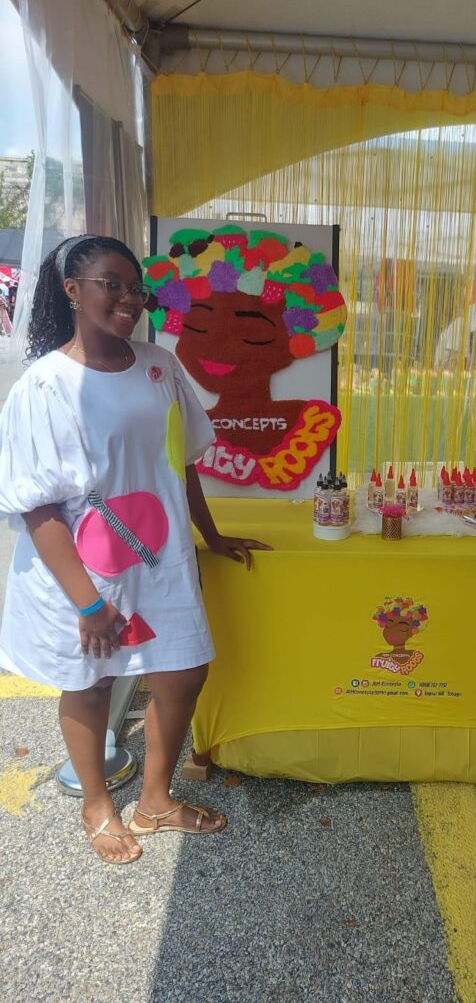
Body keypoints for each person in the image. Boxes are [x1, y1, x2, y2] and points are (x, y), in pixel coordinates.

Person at [0, 235, 271, 865]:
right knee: (91, 682)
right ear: (73, 290)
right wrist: (88, 604)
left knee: (184, 673)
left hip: (161, 558)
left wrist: (210, 535)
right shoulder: (44, 386)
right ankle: (98, 805)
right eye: (111, 285)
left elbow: (182, 458)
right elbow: (37, 506)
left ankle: (154, 800)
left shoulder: (159, 366)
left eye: (136, 288)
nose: (128, 299)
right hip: (82, 569)